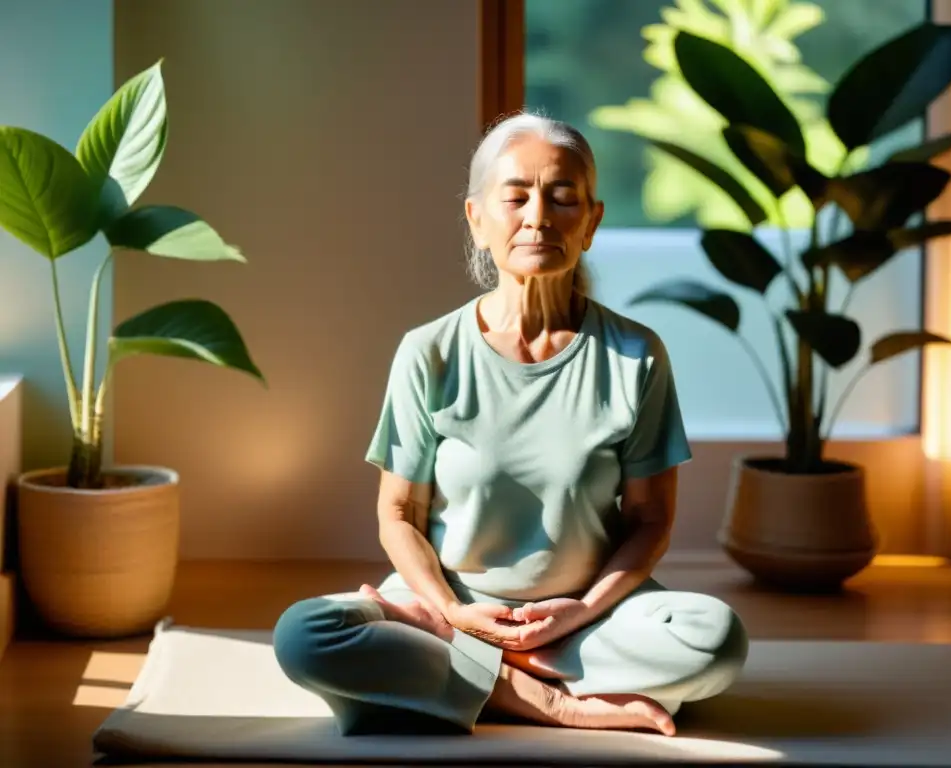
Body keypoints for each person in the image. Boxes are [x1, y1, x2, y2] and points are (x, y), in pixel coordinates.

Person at [272, 112, 748, 737]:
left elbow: (650, 520)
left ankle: (454, 675)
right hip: (447, 607)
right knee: (304, 636)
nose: (538, 217)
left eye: (563, 198)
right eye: (516, 196)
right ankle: (545, 698)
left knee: (715, 640)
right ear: (476, 218)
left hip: (590, 619)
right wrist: (451, 613)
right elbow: (398, 516)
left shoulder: (637, 354)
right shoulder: (430, 351)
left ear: (592, 222)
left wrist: (579, 609)